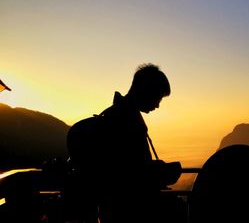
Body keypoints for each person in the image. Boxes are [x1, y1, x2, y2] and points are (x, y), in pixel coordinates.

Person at [66, 63, 184, 223]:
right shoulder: (126, 121)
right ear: (146, 90)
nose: (157, 105)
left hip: (113, 209)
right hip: (127, 212)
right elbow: (131, 173)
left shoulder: (116, 113)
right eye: (158, 97)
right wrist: (167, 171)